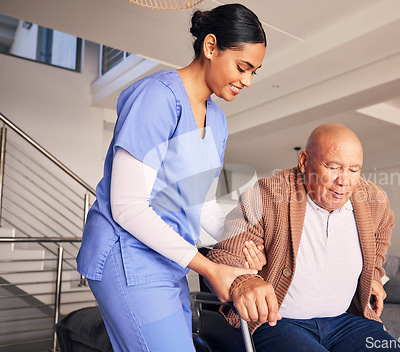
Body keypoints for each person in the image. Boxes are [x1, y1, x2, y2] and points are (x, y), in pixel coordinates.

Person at [76, 3, 267, 351]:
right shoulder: (157, 97)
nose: (248, 81)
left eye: (255, 71)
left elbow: (202, 206)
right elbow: (127, 207)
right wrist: (210, 269)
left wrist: (243, 241)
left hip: (170, 260)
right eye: (242, 67)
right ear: (210, 47)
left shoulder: (219, 122)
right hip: (127, 255)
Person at [206, 123, 400, 351]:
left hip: (345, 321)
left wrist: (373, 274)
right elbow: (224, 257)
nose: (343, 181)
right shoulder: (266, 196)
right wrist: (245, 281)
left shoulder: (373, 200)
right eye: (333, 167)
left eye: (354, 170)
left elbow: (381, 232)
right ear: (303, 161)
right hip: (278, 322)